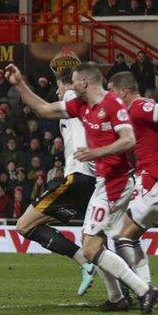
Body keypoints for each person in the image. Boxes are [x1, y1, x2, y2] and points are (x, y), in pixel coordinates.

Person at [6, 61, 158, 315]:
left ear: (84, 83)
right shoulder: (81, 105)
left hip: (116, 182)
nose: (70, 86)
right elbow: (44, 109)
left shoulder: (112, 103)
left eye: (74, 81)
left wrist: (96, 151)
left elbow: (129, 139)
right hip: (102, 182)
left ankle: (145, 290)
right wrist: (20, 83)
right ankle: (117, 297)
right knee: (92, 243)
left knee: (89, 246)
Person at [12, 68, 98, 297]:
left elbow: (42, 109)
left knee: (24, 225)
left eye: (59, 86)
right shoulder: (87, 105)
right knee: (100, 240)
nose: (57, 92)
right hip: (92, 180)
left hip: (78, 178)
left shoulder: (71, 96)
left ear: (68, 84)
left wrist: (20, 83)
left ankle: (85, 263)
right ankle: (125, 288)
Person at [106, 71, 158, 311]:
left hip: (154, 178)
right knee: (128, 236)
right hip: (152, 178)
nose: (110, 97)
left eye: (112, 91)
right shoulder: (129, 113)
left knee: (120, 235)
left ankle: (139, 287)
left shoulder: (137, 106)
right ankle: (145, 288)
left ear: (124, 91)